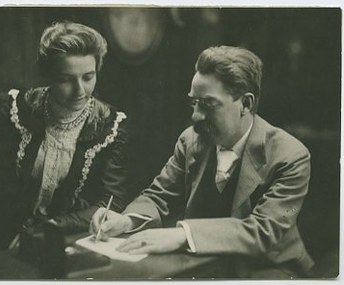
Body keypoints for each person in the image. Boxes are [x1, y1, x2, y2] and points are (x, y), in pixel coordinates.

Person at [90, 46, 314, 278]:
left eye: (208, 104)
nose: (196, 115)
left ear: (245, 104)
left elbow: (264, 231)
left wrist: (183, 235)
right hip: (204, 266)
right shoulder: (191, 140)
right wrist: (126, 220)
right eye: (194, 103)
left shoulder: (291, 155)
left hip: (267, 269)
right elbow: (159, 196)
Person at [0, 21, 130, 257]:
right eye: (66, 79)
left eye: (88, 77)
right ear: (49, 76)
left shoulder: (110, 124)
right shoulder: (18, 111)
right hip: (3, 237)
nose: (80, 91)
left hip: (70, 241)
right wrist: (16, 235)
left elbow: (109, 201)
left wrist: (49, 229)